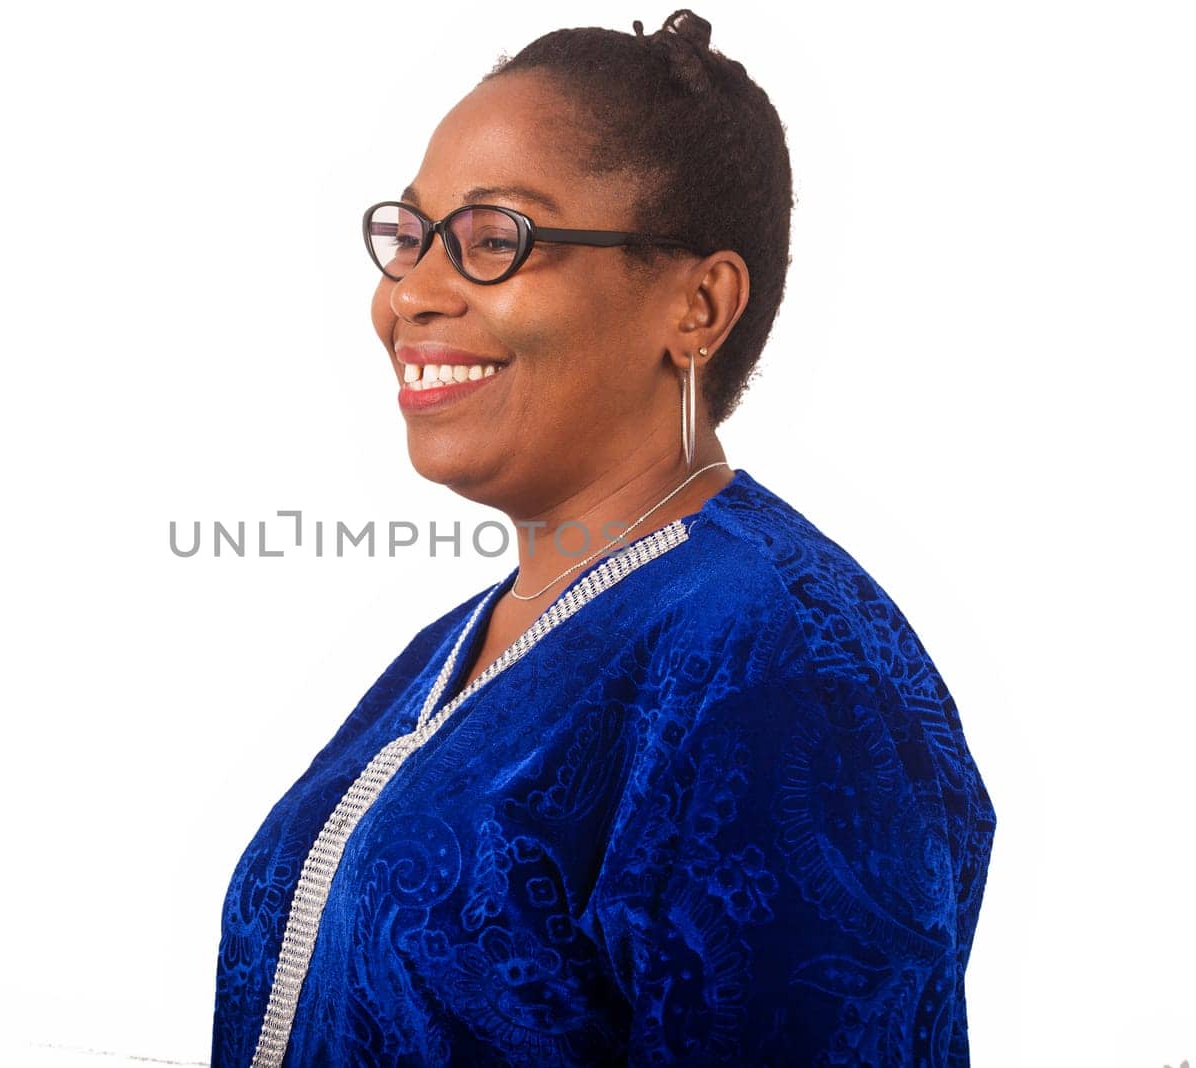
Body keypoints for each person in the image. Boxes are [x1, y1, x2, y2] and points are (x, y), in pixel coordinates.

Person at [210, 10, 995, 1066]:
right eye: (410, 236)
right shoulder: (472, 639)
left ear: (698, 304)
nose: (412, 292)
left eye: (494, 240)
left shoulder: (778, 659)